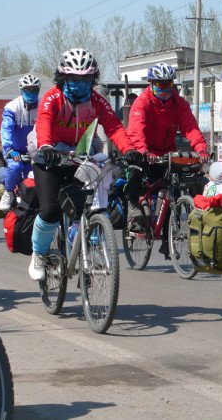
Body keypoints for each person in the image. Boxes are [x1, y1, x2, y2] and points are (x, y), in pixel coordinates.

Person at [29, 48, 142, 281]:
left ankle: (82, 238)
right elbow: (44, 123)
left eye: (86, 79)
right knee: (49, 210)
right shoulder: (53, 97)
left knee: (91, 205)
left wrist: (129, 149)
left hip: (82, 155)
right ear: (63, 78)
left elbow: (114, 126)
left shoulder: (97, 100)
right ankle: (39, 254)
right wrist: (46, 147)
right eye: (73, 79)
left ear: (93, 79)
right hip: (49, 156)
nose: (80, 84)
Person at [125, 62, 210, 257]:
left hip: (167, 153)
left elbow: (190, 128)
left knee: (172, 190)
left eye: (168, 85)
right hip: (145, 152)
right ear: (152, 84)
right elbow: (137, 130)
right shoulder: (142, 102)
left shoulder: (178, 103)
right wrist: (143, 152)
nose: (165, 89)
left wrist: (201, 149)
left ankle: (167, 238)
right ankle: (135, 207)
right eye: (160, 85)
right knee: (137, 178)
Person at [0, 74, 41, 211]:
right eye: (28, 90)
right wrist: (9, 149)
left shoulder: (43, 107)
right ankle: (8, 192)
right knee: (16, 167)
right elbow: (6, 130)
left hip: (33, 150)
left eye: (35, 90)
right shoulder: (12, 107)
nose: (32, 93)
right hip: (14, 149)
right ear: (21, 90)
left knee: (36, 175)